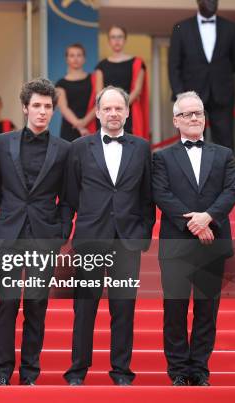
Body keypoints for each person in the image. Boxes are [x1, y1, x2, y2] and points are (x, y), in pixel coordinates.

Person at [63, 86, 155, 386]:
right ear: (98, 112)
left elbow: (147, 196)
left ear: (127, 112)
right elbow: (72, 193)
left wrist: (142, 233)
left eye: (119, 108)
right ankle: (78, 371)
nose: (113, 113)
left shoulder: (142, 148)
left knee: (124, 309)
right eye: (108, 109)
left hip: (127, 239)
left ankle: (121, 371)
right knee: (84, 308)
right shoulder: (78, 147)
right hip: (91, 237)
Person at [0, 78, 72, 385]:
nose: (42, 112)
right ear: (24, 108)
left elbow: (69, 197)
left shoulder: (65, 149)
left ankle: (30, 373)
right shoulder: (3, 142)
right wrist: (10, 210)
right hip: (9, 232)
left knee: (36, 306)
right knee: (6, 306)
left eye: (48, 107)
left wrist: (61, 230)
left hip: (44, 234)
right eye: (36, 105)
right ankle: (2, 372)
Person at [153, 91, 235, 386]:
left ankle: (199, 370)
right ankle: (177, 370)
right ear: (176, 120)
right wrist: (194, 223)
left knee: (206, 310)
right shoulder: (161, 157)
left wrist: (208, 218)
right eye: (188, 114)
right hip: (177, 242)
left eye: (198, 113)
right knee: (174, 310)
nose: (194, 118)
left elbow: (230, 192)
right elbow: (161, 194)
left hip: (212, 241)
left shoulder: (224, 154)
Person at [168, 0, 235, 150]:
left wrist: (220, 76)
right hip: (190, 96)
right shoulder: (181, 28)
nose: (212, 2)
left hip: (222, 94)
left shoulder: (230, 28)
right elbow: (174, 65)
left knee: (225, 141)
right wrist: (180, 95)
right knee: (192, 142)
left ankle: (223, 174)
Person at [95, 26, 149, 140]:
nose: (117, 40)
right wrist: (112, 107)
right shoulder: (101, 66)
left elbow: (137, 90)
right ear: (109, 41)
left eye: (120, 37)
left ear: (125, 40)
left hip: (129, 113)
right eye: (113, 37)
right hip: (107, 113)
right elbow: (99, 93)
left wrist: (121, 107)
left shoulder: (137, 63)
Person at [56, 44, 96, 142]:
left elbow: (100, 103)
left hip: (92, 126)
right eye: (72, 55)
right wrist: (80, 126)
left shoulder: (94, 79)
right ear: (67, 59)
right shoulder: (60, 83)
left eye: (79, 55)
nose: (75, 59)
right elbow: (64, 108)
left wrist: (85, 121)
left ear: (84, 59)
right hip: (69, 129)